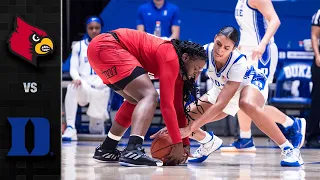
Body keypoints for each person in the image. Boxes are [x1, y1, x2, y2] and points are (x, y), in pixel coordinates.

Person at [152, 26, 304, 167]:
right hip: (222, 88)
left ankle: (289, 149)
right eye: (218, 44)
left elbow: (220, 104)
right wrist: (174, 124)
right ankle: (208, 141)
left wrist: (191, 128)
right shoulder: (204, 53)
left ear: (234, 48)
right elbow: (189, 84)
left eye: (226, 48)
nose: (220, 50)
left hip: (250, 83)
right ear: (214, 38)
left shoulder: (238, 62)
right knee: (183, 119)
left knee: (246, 104)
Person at [87, 28, 207, 166]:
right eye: (196, 68)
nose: (196, 74)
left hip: (98, 50)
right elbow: (166, 106)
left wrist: (185, 143)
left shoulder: (180, 71)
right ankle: (133, 149)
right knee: (149, 95)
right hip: (108, 46)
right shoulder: (171, 56)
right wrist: (177, 143)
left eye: (200, 71)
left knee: (135, 100)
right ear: (185, 58)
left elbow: (178, 109)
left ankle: (107, 148)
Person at [220, 0, 306, 152]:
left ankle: (291, 123)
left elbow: (275, 21)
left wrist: (262, 44)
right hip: (246, 51)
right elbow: (248, 28)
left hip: (260, 53)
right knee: (241, 95)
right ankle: (245, 139)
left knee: (253, 104)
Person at [62, 16, 111, 141]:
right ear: (86, 29)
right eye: (91, 28)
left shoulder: (107, 46)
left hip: (101, 88)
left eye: (97, 28)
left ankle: (100, 125)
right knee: (72, 87)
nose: (94, 30)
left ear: (101, 28)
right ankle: (71, 127)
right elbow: (73, 68)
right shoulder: (78, 46)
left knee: (96, 132)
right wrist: (76, 78)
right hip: (84, 85)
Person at [306, 9, 320, 148]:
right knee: (317, 99)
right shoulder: (319, 13)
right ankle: (312, 136)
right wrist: (317, 55)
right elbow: (314, 35)